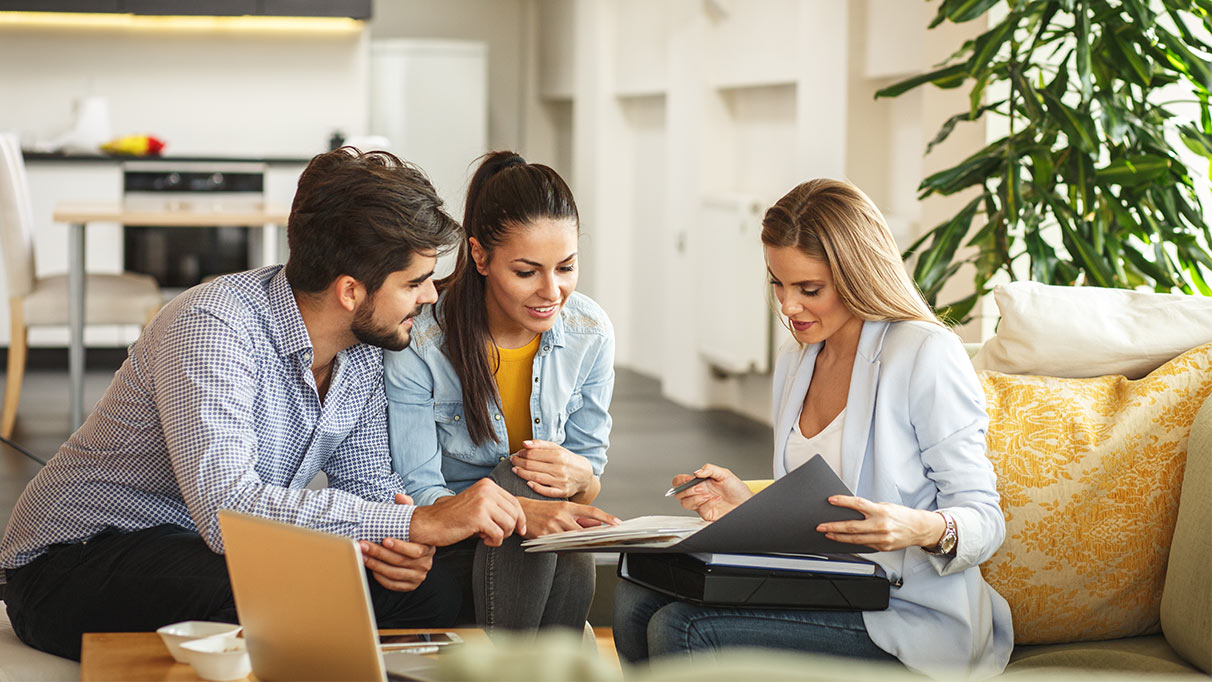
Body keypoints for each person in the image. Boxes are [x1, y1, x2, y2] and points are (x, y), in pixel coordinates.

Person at [0, 148, 528, 661]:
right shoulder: (213, 326)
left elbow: (369, 490)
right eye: (415, 282)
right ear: (350, 291)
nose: (432, 296)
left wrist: (397, 545)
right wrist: (415, 526)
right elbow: (225, 509)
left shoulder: (365, 350)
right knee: (281, 592)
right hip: (74, 560)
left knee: (429, 592)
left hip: (207, 551)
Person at [612, 179, 1012, 679]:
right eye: (778, 283)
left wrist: (919, 527)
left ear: (858, 276)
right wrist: (746, 502)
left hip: (906, 613)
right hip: (826, 587)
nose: (787, 306)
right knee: (634, 598)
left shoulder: (924, 354)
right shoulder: (797, 360)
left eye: (809, 289)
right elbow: (820, 501)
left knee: (684, 627)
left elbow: (985, 519)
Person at [384, 151, 617, 634]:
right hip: (455, 543)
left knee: (557, 524)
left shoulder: (589, 331)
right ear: (480, 256)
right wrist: (522, 511)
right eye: (528, 272)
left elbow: (588, 481)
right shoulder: (422, 340)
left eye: (566, 267)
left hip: (543, 548)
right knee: (517, 481)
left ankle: (529, 665)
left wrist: (579, 475)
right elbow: (418, 491)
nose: (552, 291)